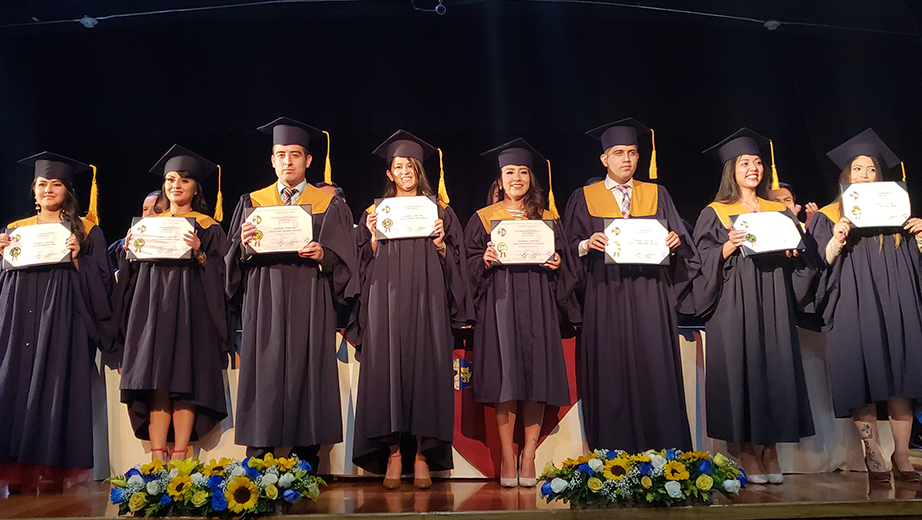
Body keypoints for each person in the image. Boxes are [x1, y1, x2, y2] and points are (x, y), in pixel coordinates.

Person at [225, 117, 357, 469]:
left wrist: (323, 255)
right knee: (263, 369)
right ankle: (260, 453)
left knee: (308, 367)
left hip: (309, 295)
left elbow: (345, 260)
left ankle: (306, 457)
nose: (287, 162)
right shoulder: (253, 201)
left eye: (295, 155)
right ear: (271, 159)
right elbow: (231, 262)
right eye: (281, 155)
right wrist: (242, 244)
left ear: (308, 161)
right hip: (263, 294)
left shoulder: (328, 204)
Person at [562, 118, 698, 454]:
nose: (627, 159)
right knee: (610, 374)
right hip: (604, 291)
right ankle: (611, 456)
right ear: (604, 159)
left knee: (656, 370)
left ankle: (665, 452)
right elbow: (566, 247)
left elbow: (684, 246)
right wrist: (585, 245)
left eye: (633, 153)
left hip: (649, 292)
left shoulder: (657, 194)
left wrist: (675, 239)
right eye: (619, 153)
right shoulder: (584, 197)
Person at [348, 130, 471, 489]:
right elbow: (358, 267)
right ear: (389, 173)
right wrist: (370, 239)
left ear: (418, 169)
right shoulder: (375, 213)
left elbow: (458, 262)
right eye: (397, 166)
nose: (404, 171)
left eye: (409, 166)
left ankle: (421, 456)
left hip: (427, 301)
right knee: (386, 374)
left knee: (426, 372)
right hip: (385, 301)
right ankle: (393, 455)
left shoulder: (440, 212)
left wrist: (442, 246)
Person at [693, 128, 816, 484]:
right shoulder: (716, 212)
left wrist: (796, 252)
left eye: (758, 162)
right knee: (739, 370)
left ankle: (771, 450)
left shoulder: (779, 210)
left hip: (774, 297)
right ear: (731, 170)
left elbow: (802, 260)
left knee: (775, 368)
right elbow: (701, 261)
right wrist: (726, 248)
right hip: (733, 301)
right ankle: (745, 450)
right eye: (745, 162)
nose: (753, 168)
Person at [809, 128, 922, 482]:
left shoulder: (899, 217)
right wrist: (837, 240)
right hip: (853, 304)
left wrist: (919, 238)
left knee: (902, 374)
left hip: (898, 302)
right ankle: (871, 451)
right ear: (847, 175)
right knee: (862, 375)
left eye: (871, 169)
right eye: (857, 169)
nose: (864, 175)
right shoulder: (831, 216)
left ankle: (901, 454)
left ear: (880, 175)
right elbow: (816, 265)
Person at [0, 152, 113, 493]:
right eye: (42, 184)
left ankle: (51, 469)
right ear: (33, 190)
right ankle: (16, 466)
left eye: (56, 184)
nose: (48, 190)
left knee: (56, 389)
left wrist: (80, 259)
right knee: (14, 386)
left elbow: (105, 282)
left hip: (64, 321)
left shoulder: (87, 231)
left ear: (68, 190)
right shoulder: (15, 230)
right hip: (20, 321)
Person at [464, 139, 574, 487]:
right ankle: (507, 456)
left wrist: (558, 263)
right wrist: (482, 260)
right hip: (500, 305)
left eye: (523, 172)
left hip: (539, 303)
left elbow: (568, 265)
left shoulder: (548, 219)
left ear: (531, 179)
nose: (517, 178)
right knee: (506, 379)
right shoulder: (483, 219)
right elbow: (464, 264)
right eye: (510, 172)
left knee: (536, 378)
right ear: (499, 180)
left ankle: (529, 452)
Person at [115, 145, 230, 462]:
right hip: (151, 309)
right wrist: (129, 249)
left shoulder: (208, 227)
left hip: (190, 310)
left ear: (195, 188)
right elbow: (131, 273)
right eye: (170, 180)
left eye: (184, 180)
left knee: (183, 380)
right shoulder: (147, 226)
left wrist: (199, 253)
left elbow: (223, 274)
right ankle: (156, 455)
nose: (176, 185)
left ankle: (180, 453)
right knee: (156, 382)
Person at [107, 190, 168, 275]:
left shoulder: (173, 245)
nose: (148, 214)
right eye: (145, 209)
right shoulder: (120, 246)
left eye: (157, 210)